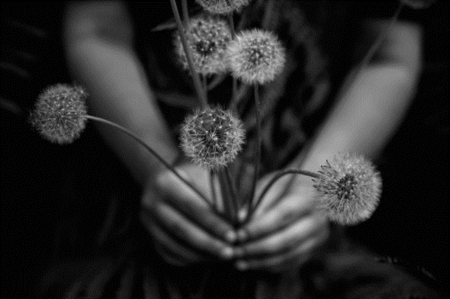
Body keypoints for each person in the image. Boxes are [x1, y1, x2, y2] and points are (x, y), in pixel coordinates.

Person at [46, 0, 441, 297]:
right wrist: (159, 167)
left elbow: (389, 55)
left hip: (320, 252)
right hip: (124, 233)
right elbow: (96, 29)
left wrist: (317, 185)